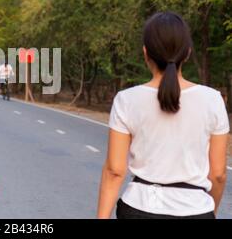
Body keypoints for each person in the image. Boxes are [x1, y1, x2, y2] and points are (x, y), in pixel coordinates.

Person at [97, 12, 230, 219]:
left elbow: (115, 170)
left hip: (139, 209)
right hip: (195, 210)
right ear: (187, 53)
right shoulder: (212, 100)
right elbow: (219, 174)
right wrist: (208, 211)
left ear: (145, 53)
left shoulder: (126, 100)